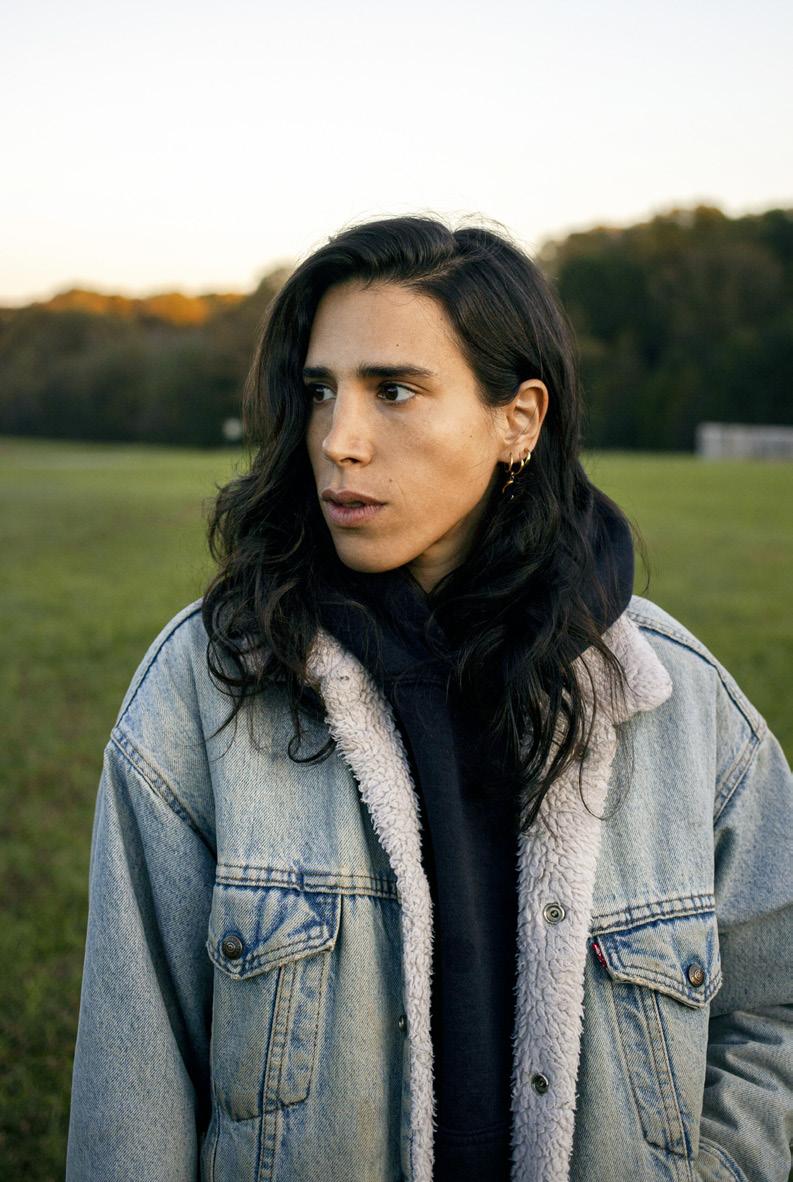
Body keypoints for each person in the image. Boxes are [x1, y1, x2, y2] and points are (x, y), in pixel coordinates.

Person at [65, 214, 793, 1182]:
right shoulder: (200, 691)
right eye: (320, 391)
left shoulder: (682, 703)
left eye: (394, 391)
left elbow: (771, 1009)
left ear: (516, 421)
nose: (338, 440)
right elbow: (132, 1091)